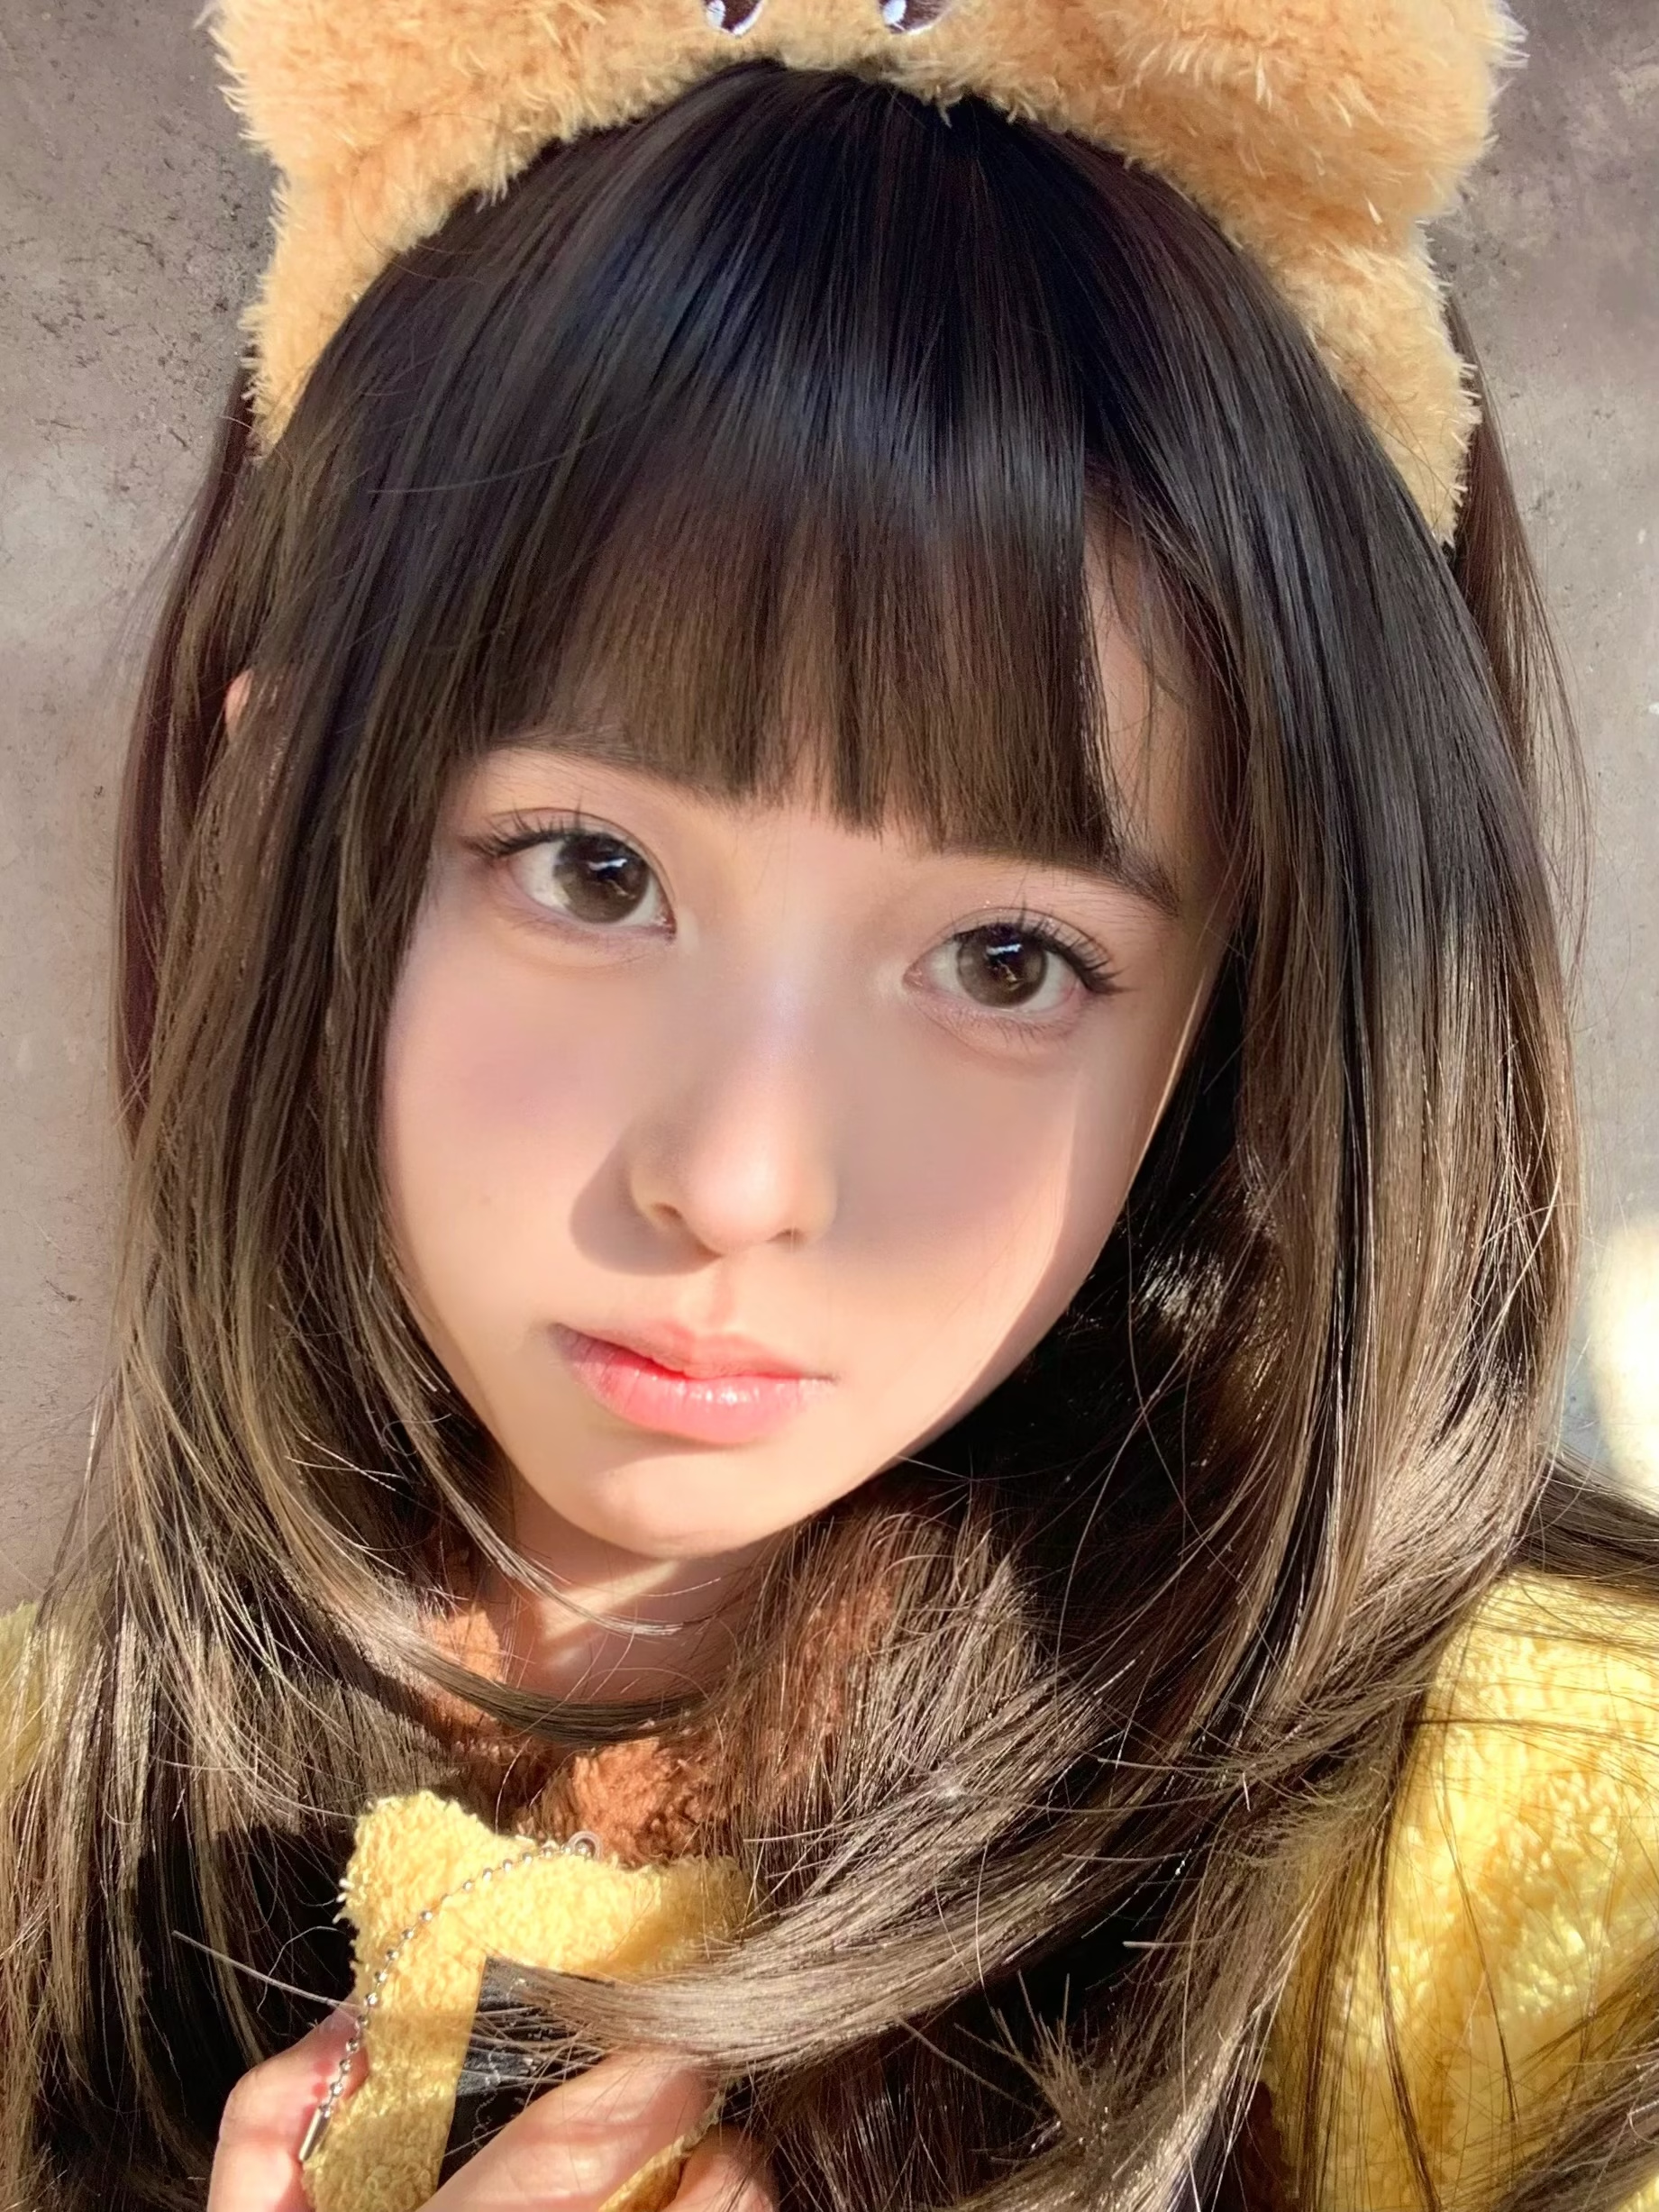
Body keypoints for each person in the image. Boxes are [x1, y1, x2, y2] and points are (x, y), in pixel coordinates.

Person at [3, 5, 1657, 2209]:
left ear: (1233, 1009)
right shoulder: (44, 1813)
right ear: (282, 816)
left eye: (1008, 960)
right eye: (592, 872)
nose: (739, 1177)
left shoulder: (1504, 1838)